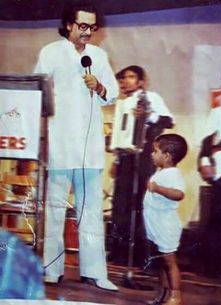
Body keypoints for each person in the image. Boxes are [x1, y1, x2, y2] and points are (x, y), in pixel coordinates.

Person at [34, 1, 119, 291]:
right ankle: (51, 269)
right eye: (83, 26)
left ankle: (95, 272)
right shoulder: (50, 53)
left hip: (91, 146)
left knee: (91, 210)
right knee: (56, 209)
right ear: (69, 25)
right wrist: (42, 140)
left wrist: (99, 86)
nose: (88, 32)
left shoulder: (99, 55)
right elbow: (39, 94)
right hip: (60, 143)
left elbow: (112, 94)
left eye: (92, 27)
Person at [109, 65, 174, 267]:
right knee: (120, 205)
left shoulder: (150, 97)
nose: (125, 81)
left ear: (140, 82)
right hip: (126, 158)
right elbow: (123, 136)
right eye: (122, 79)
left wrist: (148, 115)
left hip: (144, 157)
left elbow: (168, 120)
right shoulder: (122, 104)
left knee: (140, 204)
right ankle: (119, 253)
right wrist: (116, 160)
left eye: (130, 77)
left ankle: (142, 256)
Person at [198, 71, 221, 279]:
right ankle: (211, 269)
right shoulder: (218, 113)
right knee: (218, 220)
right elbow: (206, 140)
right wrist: (205, 162)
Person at [143, 134, 188, 305]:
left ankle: (176, 295)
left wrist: (157, 188)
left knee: (169, 263)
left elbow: (179, 194)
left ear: (167, 156)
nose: (152, 154)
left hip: (165, 225)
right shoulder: (162, 171)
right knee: (162, 263)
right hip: (157, 224)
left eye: (156, 151)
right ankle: (163, 293)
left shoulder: (172, 174)